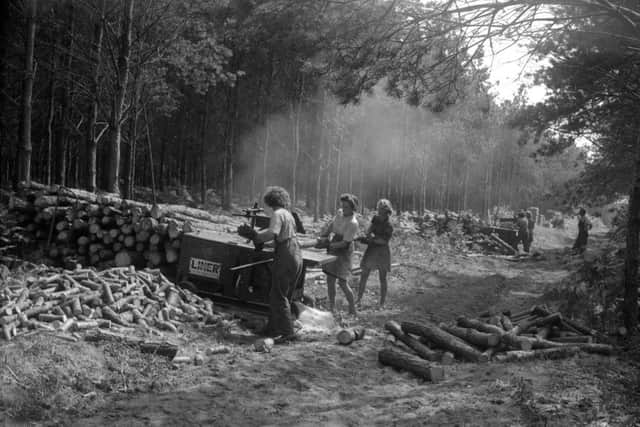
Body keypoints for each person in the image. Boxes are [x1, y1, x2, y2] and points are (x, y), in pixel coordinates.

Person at [237, 186, 303, 341]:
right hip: (295, 253)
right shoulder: (288, 215)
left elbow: (271, 233)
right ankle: (272, 329)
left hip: (286, 256)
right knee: (282, 295)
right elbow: (281, 239)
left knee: (277, 296)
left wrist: (255, 236)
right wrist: (261, 241)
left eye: (264, 204)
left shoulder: (277, 214)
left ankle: (288, 333)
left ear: (269, 202)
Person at [316, 193, 359, 315]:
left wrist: (329, 245)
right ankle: (332, 307)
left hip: (344, 250)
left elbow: (345, 243)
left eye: (346, 207)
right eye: (343, 206)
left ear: (352, 208)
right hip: (334, 244)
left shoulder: (353, 223)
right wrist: (323, 236)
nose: (343, 209)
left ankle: (352, 308)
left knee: (342, 282)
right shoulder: (340, 213)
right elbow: (331, 226)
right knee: (330, 279)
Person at [356, 199, 393, 308]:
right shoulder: (375, 218)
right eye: (379, 209)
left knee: (382, 277)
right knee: (364, 274)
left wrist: (372, 240)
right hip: (372, 250)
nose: (380, 212)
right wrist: (367, 235)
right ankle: (358, 299)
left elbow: (383, 241)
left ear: (387, 211)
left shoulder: (389, 225)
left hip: (382, 252)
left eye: (382, 209)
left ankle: (381, 303)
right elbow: (369, 230)